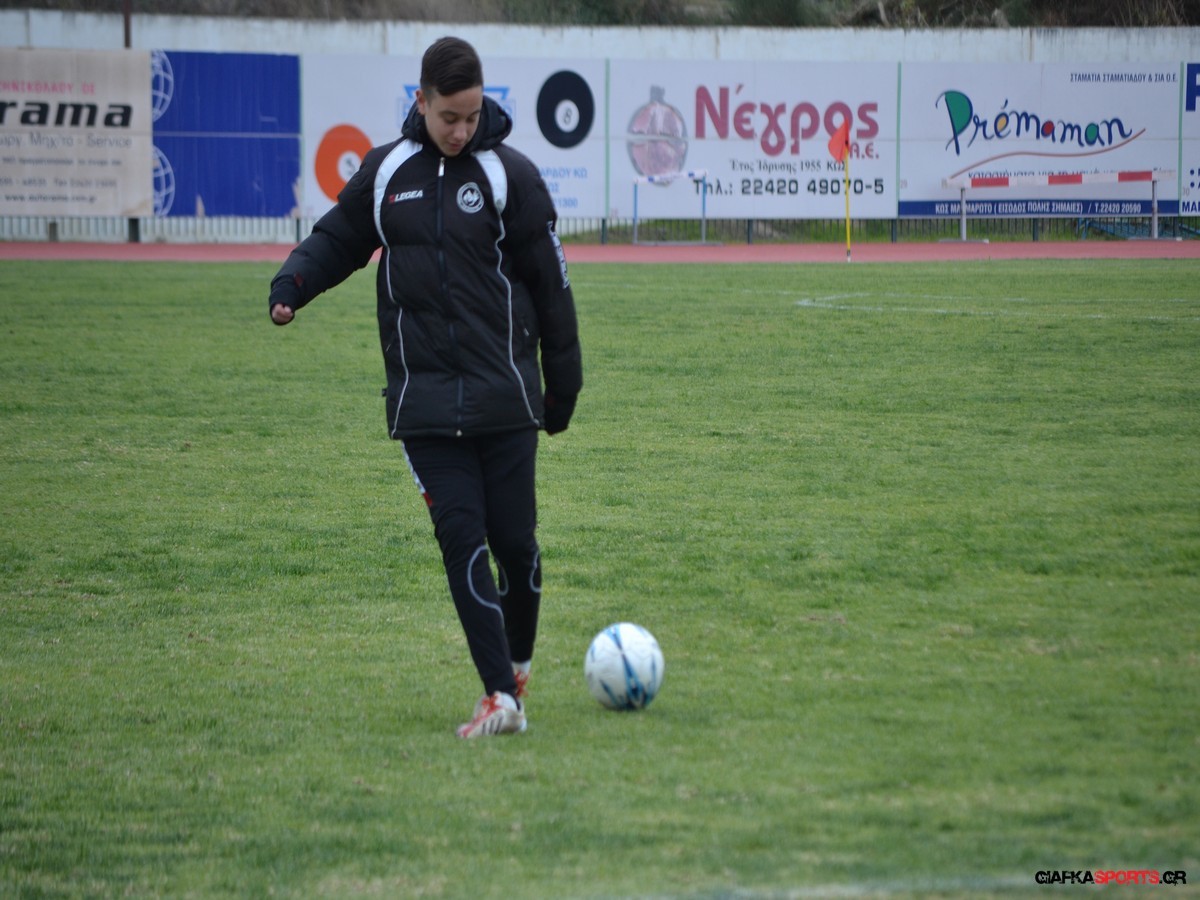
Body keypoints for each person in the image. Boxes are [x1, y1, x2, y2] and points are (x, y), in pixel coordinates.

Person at [267, 36, 582, 738]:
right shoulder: (388, 172)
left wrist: (561, 391)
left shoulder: (510, 176)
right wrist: (293, 283)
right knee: (461, 537)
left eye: (471, 116)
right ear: (421, 102)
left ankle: (517, 665)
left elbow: (552, 290)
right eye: (448, 117)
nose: (461, 130)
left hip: (505, 398)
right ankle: (499, 696)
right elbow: (338, 238)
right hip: (425, 405)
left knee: (516, 545)